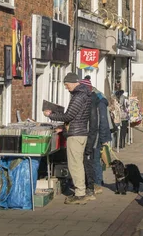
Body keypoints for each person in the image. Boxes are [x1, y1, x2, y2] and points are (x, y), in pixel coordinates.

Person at [44, 73, 92, 204]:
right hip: (80, 132)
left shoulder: (78, 96)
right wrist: (63, 128)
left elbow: (69, 116)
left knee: (74, 165)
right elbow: (77, 117)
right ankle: (82, 190)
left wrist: (51, 115)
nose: (66, 87)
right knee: (78, 164)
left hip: (76, 134)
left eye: (66, 84)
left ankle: (80, 194)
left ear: (72, 82)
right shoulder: (85, 94)